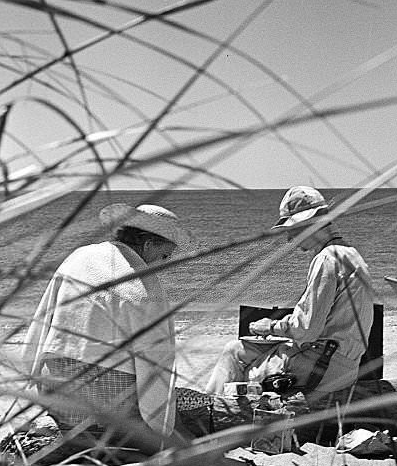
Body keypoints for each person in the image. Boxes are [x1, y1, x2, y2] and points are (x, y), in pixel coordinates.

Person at [19, 201, 209, 452]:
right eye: (164, 256)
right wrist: (163, 428)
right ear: (149, 244)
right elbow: (156, 366)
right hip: (107, 415)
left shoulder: (79, 257)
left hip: (57, 399)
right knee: (188, 404)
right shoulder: (143, 288)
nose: (163, 264)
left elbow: (42, 320)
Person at [206, 186, 375, 407]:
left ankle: (210, 413)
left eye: (292, 230)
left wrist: (271, 327)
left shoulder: (326, 260)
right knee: (237, 349)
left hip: (321, 368)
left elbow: (306, 330)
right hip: (342, 363)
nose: (289, 238)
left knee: (235, 358)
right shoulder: (350, 254)